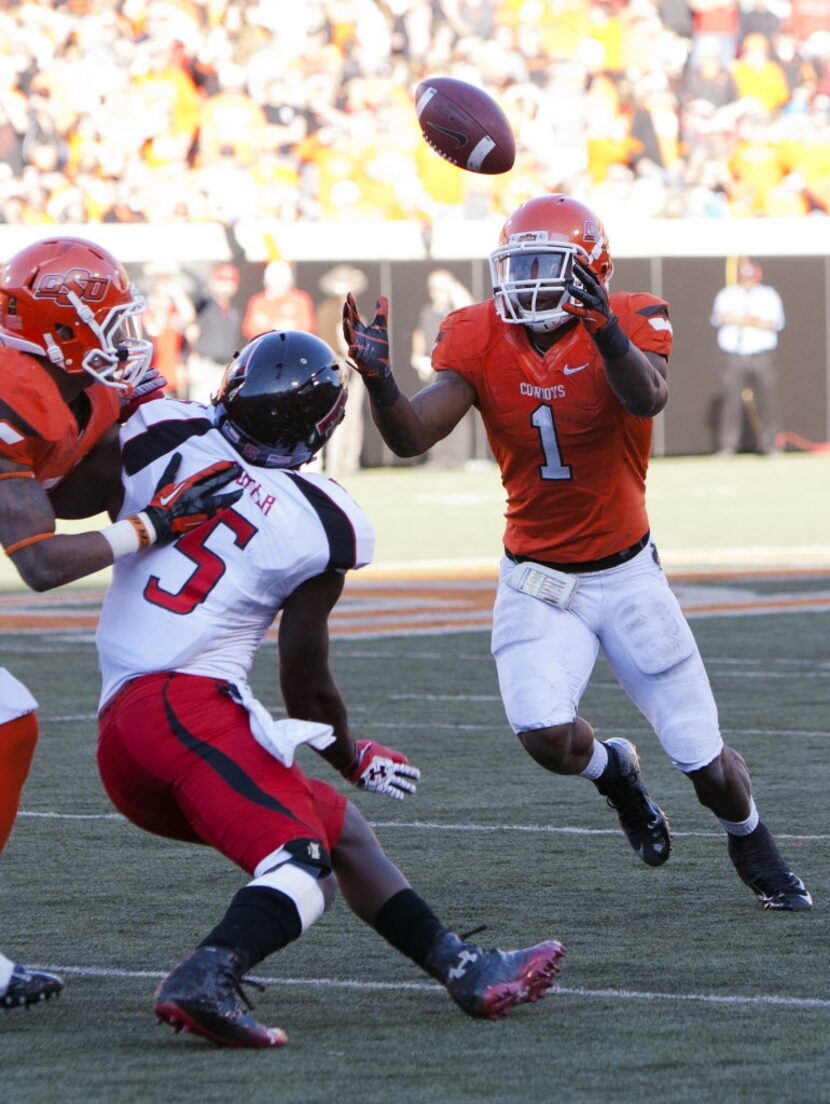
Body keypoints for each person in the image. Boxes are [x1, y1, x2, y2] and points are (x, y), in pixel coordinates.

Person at [93, 329, 565, 1048]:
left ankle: (462, 965)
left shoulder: (168, 429)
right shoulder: (320, 517)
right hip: (184, 710)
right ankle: (206, 973)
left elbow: (78, 488)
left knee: (340, 829)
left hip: (126, 734)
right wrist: (348, 752)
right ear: (319, 428)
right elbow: (305, 686)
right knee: (301, 863)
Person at [342, 193, 811, 913]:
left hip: (626, 574)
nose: (528, 282)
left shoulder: (630, 316)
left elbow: (647, 397)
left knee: (703, 760)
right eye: (518, 265)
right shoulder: (475, 332)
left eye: (545, 265)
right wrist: (378, 380)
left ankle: (749, 836)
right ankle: (615, 771)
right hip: (535, 578)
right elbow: (411, 437)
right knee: (542, 734)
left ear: (590, 270)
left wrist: (604, 334)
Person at [0, 235, 244, 1009]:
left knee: (9, 718)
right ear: (59, 330)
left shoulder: (75, 380)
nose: (122, 338)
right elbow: (38, 562)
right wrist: (152, 527)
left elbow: (114, 458)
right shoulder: (11, 387)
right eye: (104, 322)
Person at [710, 257, 785, 456]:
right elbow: (720, 317)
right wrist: (752, 320)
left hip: (761, 354)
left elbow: (773, 322)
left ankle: (770, 445)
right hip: (734, 355)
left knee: (766, 401)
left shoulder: (768, 295)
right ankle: (728, 445)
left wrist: (740, 319)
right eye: (745, 277)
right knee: (730, 401)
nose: (748, 281)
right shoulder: (728, 294)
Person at [410, 269, 476, 469]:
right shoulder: (428, 310)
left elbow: (472, 308)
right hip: (433, 366)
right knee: (433, 412)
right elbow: (420, 333)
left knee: (456, 413)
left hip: (454, 367)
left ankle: (456, 459)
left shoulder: (455, 310)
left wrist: (451, 286)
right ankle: (437, 459)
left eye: (440, 287)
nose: (436, 292)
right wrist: (417, 355)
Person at [316, 264, 368, 476]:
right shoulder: (328, 310)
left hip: (353, 366)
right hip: (338, 364)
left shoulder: (355, 312)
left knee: (353, 416)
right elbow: (329, 340)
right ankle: (338, 463)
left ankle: (350, 462)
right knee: (340, 416)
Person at [188, 263, 244, 404]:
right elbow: (191, 328)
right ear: (213, 282)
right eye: (221, 280)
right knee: (201, 408)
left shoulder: (234, 311)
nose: (225, 285)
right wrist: (192, 358)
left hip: (225, 369)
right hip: (206, 365)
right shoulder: (205, 304)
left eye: (230, 281)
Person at [241, 260, 315, 340]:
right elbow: (250, 329)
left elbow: (307, 327)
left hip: (293, 346)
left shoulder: (300, 300)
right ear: (266, 283)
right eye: (274, 284)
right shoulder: (258, 302)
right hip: (266, 347)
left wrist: (269, 325)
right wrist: (282, 326)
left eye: (281, 284)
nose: (277, 288)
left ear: (289, 283)